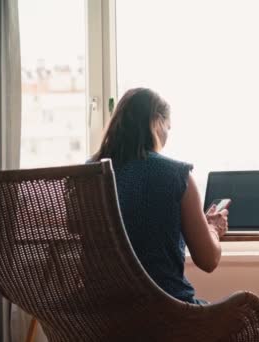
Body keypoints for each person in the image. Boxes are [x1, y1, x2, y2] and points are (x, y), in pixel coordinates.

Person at [90, 87, 227, 304]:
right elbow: (208, 260)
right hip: (165, 315)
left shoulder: (87, 175)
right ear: (157, 122)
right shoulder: (175, 175)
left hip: (98, 316)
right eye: (168, 128)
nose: (166, 137)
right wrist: (213, 228)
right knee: (244, 318)